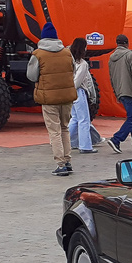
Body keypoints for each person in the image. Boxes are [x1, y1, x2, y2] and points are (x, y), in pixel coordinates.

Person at [26, 22, 76, 176]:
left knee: (54, 131)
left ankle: (60, 164)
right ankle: (68, 161)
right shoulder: (67, 53)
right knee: (64, 128)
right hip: (67, 97)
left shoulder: (38, 54)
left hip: (49, 98)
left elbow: (31, 76)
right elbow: (73, 70)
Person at [67, 37, 100, 155]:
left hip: (69, 93)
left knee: (74, 118)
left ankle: (64, 141)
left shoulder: (68, 61)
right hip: (79, 92)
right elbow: (79, 80)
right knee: (84, 120)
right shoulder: (83, 64)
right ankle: (85, 146)